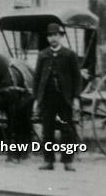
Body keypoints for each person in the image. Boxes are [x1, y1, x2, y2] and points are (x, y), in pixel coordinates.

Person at [33, 22, 83, 171]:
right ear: (47, 38)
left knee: (67, 130)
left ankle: (67, 161)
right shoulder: (43, 55)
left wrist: (75, 98)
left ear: (60, 36)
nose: (53, 38)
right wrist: (36, 98)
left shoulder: (69, 55)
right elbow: (37, 78)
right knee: (47, 130)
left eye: (55, 35)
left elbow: (77, 78)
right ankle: (48, 161)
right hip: (47, 98)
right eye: (50, 35)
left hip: (64, 98)